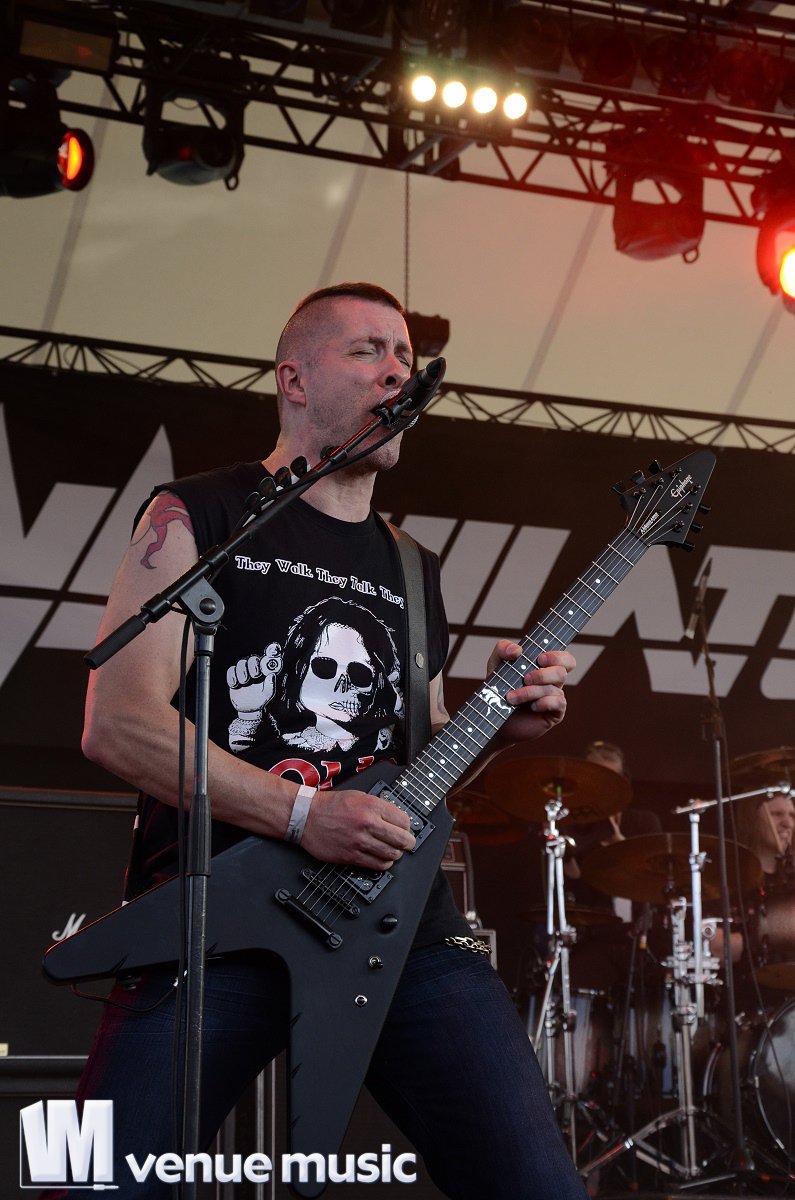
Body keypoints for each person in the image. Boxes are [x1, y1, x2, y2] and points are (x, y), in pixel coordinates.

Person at [44, 283, 587, 1200]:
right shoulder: (197, 514)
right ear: (294, 380)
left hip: (397, 929)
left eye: (405, 355)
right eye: (367, 350)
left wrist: (498, 728)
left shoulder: (412, 566)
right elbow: (118, 721)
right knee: (96, 1184)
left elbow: (416, 769)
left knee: (538, 1186)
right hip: (216, 917)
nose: (396, 371)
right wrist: (303, 814)